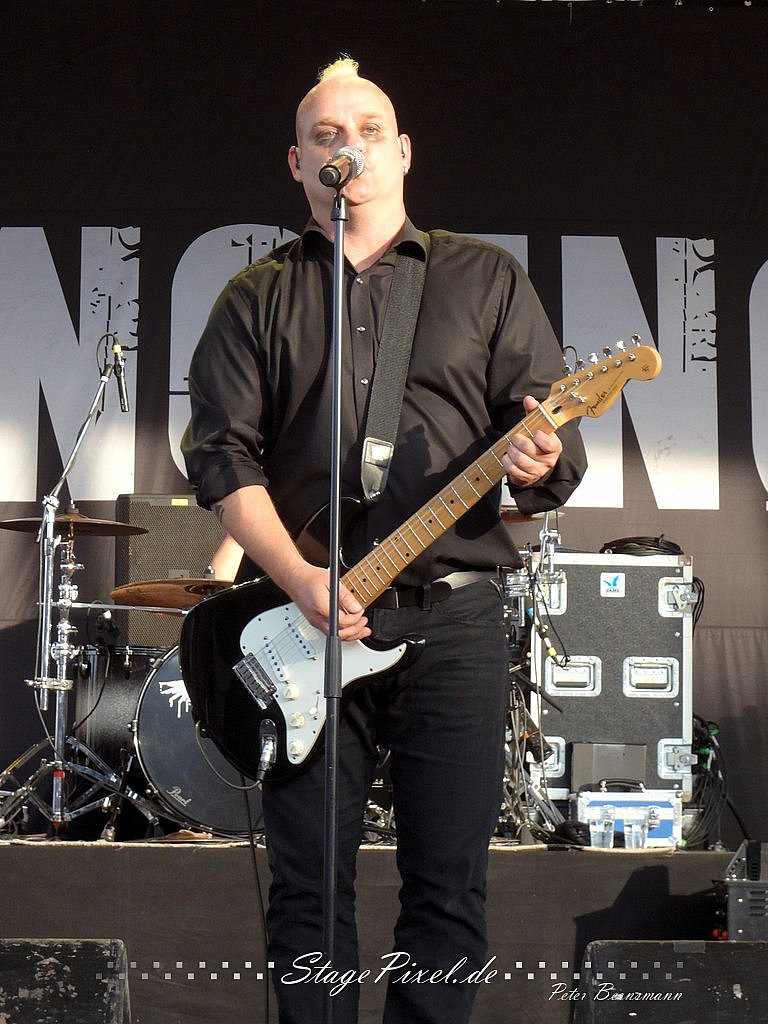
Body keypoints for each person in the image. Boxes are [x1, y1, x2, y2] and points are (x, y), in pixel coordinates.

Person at [182, 56, 586, 1024]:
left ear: (403, 152)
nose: (348, 148)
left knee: (447, 889)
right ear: (297, 163)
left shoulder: (484, 278)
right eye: (325, 136)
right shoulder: (255, 298)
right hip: (310, 625)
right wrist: (299, 577)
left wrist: (537, 458)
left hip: (453, 623)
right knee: (309, 895)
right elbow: (222, 459)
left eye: (367, 131)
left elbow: (549, 450)